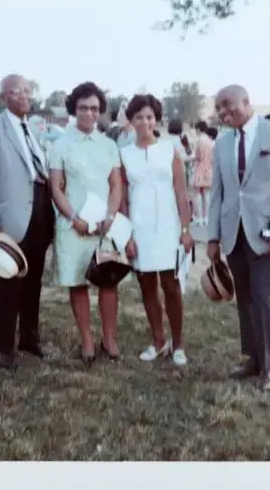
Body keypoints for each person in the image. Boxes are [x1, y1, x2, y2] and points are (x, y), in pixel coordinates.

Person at [207, 84, 270, 392]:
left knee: (264, 298)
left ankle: (269, 366)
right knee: (245, 299)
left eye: (228, 104)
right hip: (233, 233)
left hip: (267, 235)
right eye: (219, 108)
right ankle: (252, 359)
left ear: (246, 102)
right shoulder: (221, 144)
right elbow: (217, 194)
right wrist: (212, 237)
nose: (223, 112)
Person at [0, 74, 55, 371]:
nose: (27, 96)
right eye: (21, 91)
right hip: (11, 217)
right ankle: (4, 347)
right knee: (8, 279)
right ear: (6, 95)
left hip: (41, 208)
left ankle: (29, 337)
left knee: (33, 279)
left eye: (29, 91)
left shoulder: (31, 128)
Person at [49, 82, 122, 365]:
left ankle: (109, 337)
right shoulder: (60, 145)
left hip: (104, 226)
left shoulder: (108, 145)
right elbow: (55, 187)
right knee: (77, 282)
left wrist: (111, 216)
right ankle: (87, 339)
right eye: (83, 108)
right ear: (73, 110)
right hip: (73, 226)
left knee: (108, 281)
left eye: (94, 108)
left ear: (100, 111)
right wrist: (73, 218)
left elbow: (115, 184)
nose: (89, 114)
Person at [120, 95, 194, 366]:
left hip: (169, 227)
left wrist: (185, 230)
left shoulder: (169, 150)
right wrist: (127, 235)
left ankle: (178, 344)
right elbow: (124, 199)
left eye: (149, 117)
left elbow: (181, 192)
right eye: (139, 117)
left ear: (157, 120)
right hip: (139, 229)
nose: (144, 122)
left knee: (171, 287)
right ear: (131, 121)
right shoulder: (124, 154)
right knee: (147, 287)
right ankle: (158, 341)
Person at [191, 120, 214, 226]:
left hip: (200, 168)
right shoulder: (210, 141)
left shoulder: (199, 140)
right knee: (207, 194)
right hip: (209, 168)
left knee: (196, 194)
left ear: (199, 129)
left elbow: (198, 156)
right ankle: (207, 217)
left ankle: (199, 217)